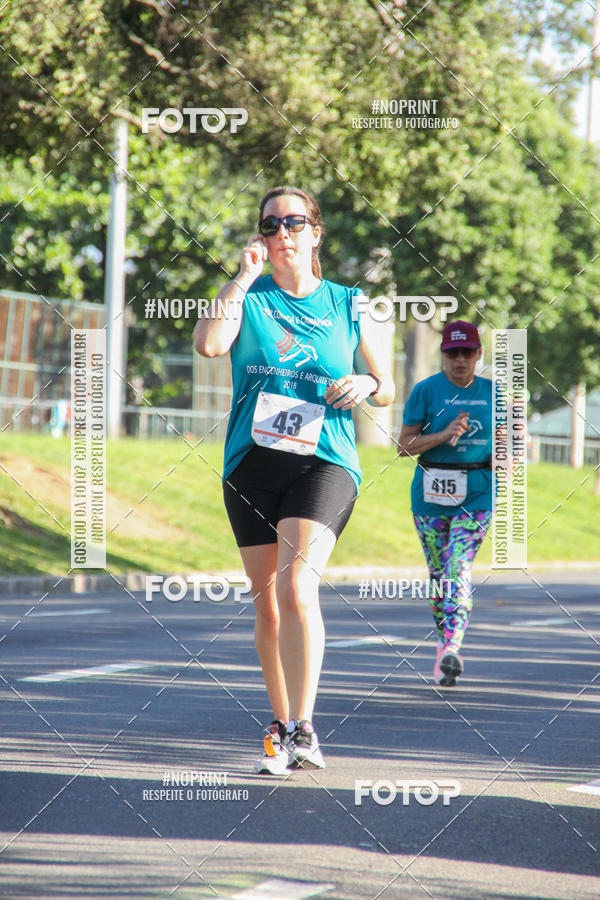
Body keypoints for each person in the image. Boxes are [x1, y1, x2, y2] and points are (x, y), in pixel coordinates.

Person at [194, 186, 394, 773]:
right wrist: (240, 278)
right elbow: (209, 344)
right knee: (268, 605)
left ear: (316, 233)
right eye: (270, 224)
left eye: (295, 222)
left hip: (325, 460)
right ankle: (281, 726)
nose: (282, 232)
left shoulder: (351, 303)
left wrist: (366, 383)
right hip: (252, 463)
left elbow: (386, 386)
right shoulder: (248, 297)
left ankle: (305, 727)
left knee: (296, 587)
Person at [396, 320, 493, 687]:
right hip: (431, 494)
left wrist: (510, 454)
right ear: (442, 355)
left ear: (478, 354)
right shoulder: (426, 391)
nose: (460, 360)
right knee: (439, 576)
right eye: (453, 353)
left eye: (467, 353)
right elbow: (403, 446)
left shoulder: (495, 395)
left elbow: (511, 445)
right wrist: (443, 435)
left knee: (457, 564)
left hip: (478, 494)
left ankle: (453, 645)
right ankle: (443, 646)